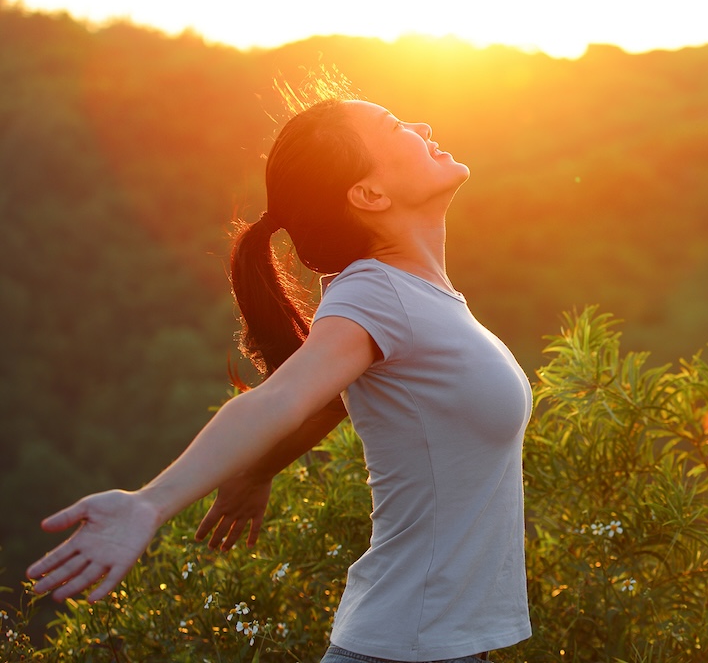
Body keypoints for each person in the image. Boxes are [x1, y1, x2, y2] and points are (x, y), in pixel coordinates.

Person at [26, 92, 533, 663]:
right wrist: (150, 503)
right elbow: (283, 397)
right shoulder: (374, 294)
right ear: (369, 194)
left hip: (440, 643)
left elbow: (336, 400)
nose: (422, 124)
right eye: (396, 128)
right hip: (408, 645)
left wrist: (262, 467)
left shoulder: (414, 297)